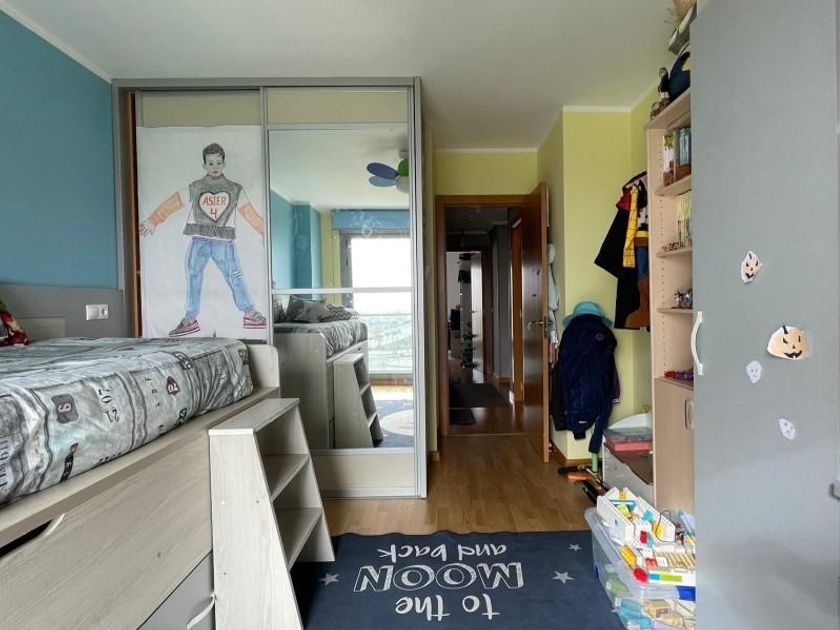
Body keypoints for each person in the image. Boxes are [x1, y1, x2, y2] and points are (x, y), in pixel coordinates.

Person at [140, 142, 266, 336]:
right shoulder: (197, 186)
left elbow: (249, 213)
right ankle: (190, 318)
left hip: (224, 242)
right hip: (199, 240)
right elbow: (175, 201)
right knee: (193, 274)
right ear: (204, 165)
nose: (215, 167)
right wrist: (154, 219)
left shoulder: (234, 189)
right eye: (210, 163)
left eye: (218, 163)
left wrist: (265, 231)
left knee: (234, 275)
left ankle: (249, 312)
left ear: (224, 164)